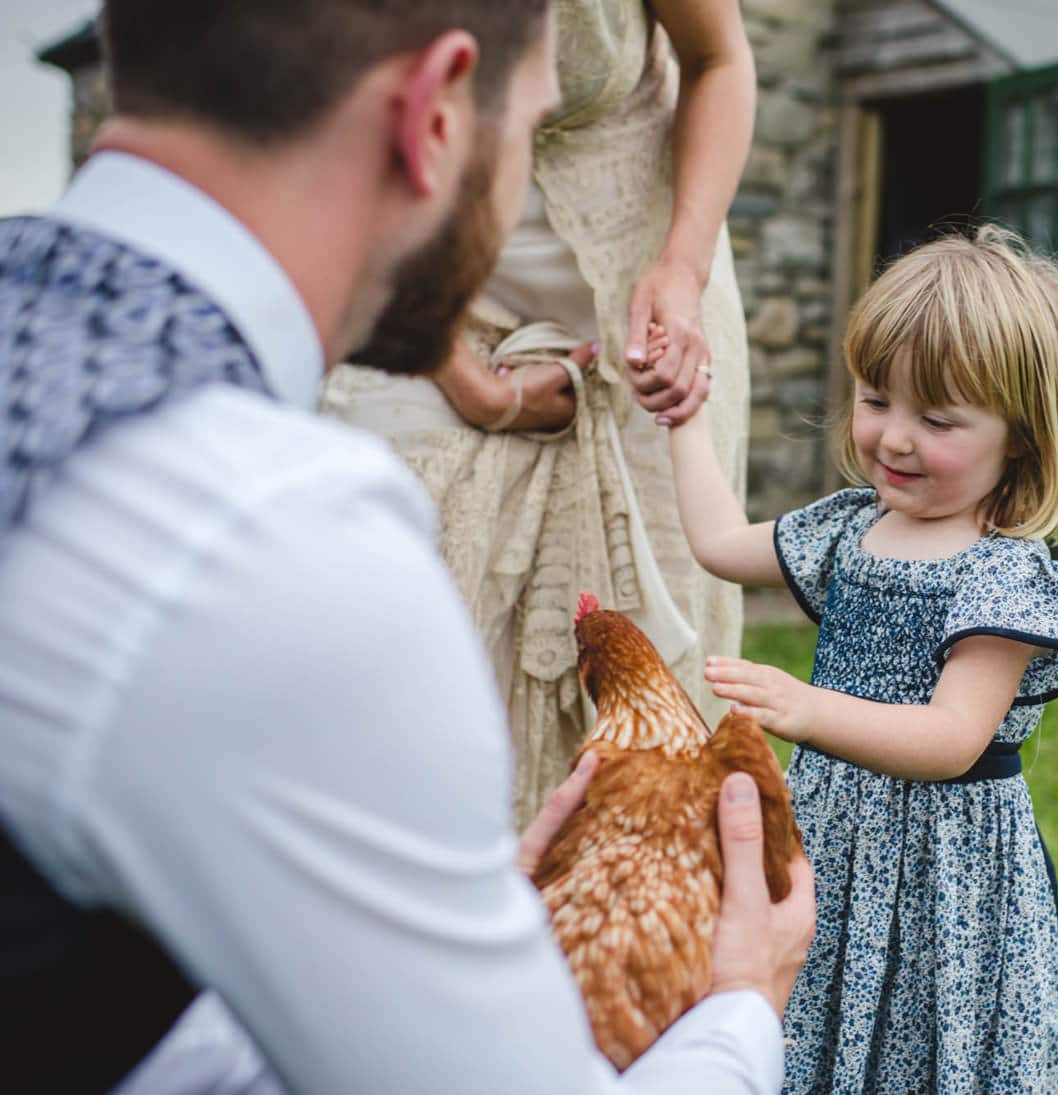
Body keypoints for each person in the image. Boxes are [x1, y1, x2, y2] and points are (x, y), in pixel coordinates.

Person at [0, 2, 812, 1093]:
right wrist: (739, 1012)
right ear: (434, 115)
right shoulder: (286, 540)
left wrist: (402, 955)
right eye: (525, 130)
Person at [649, 227, 1058, 1093]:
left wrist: (807, 710)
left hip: (945, 869)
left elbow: (951, 737)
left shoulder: (1003, 576)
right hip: (832, 833)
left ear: (1019, 437)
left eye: (937, 419)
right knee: (817, 1017)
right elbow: (720, 540)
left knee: (919, 1041)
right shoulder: (846, 526)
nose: (895, 439)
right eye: (877, 400)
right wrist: (684, 418)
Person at [320, 0, 756, 832]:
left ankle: (631, 897)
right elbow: (328, 133)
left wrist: (682, 267)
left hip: (645, 250)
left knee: (650, 606)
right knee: (404, 578)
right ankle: (433, 874)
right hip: (420, 258)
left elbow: (720, 61)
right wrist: (459, 369)